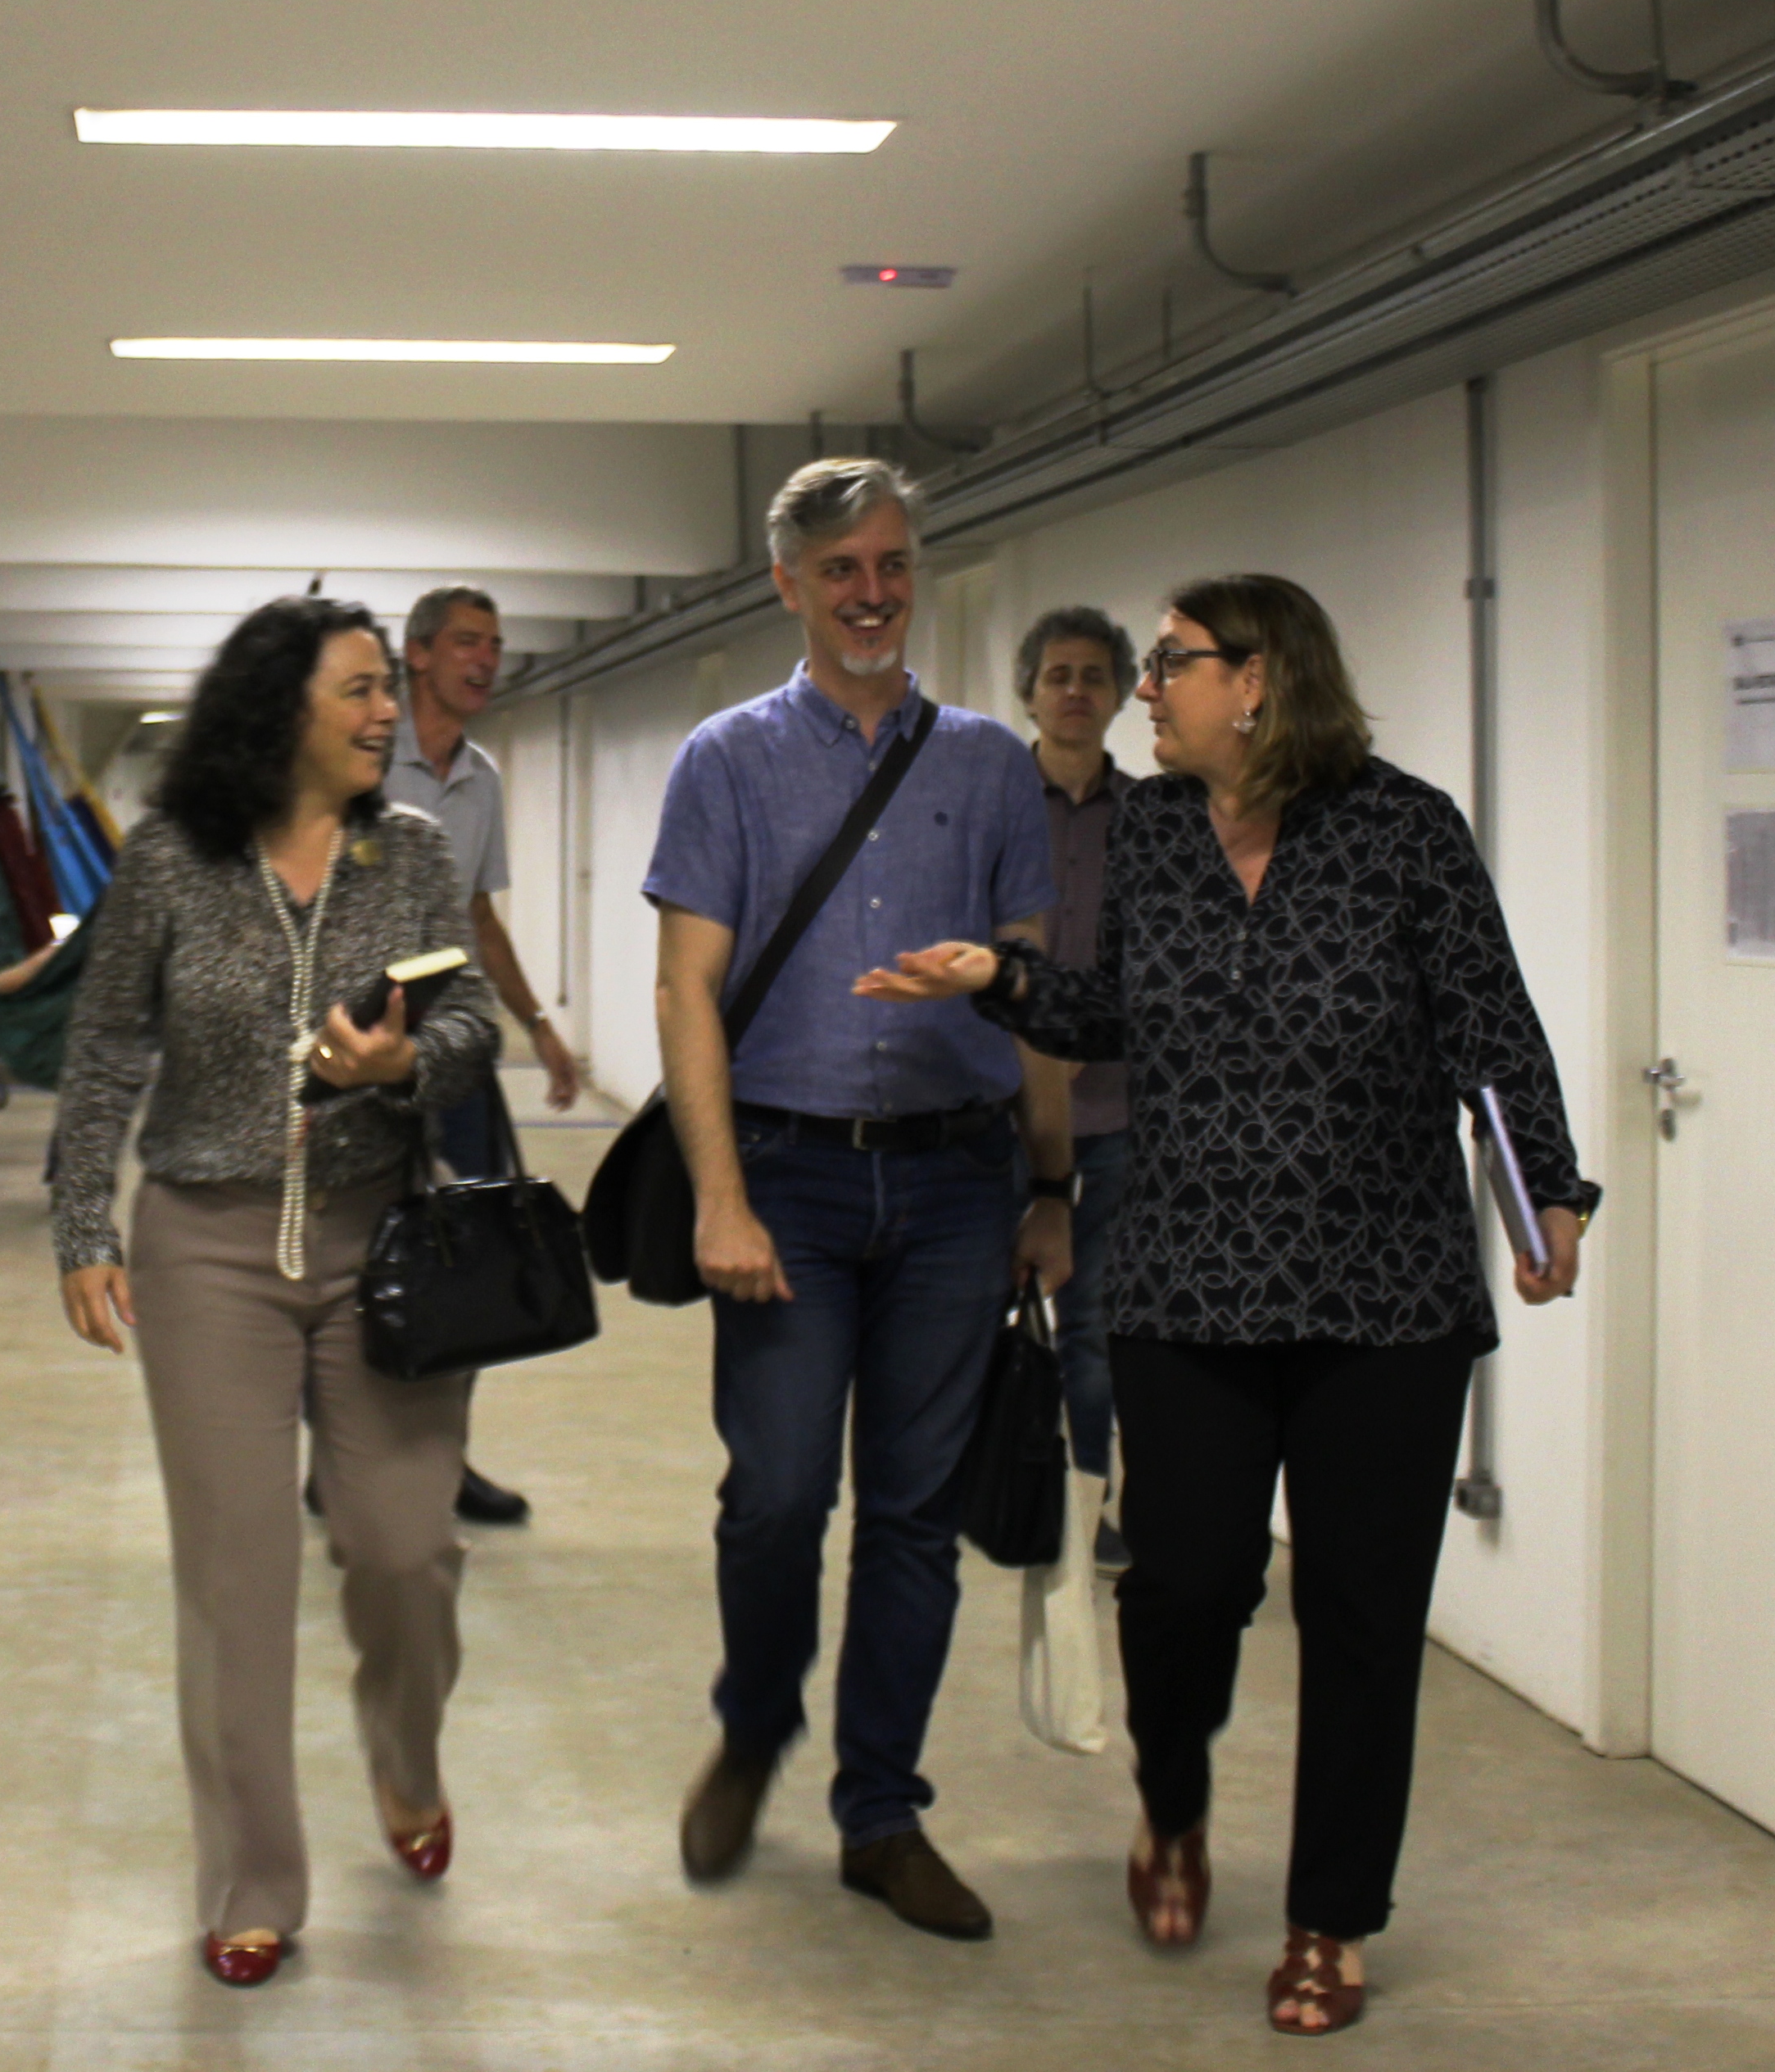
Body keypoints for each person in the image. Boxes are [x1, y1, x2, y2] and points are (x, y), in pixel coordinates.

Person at [854, 572, 1598, 2037]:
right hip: (1188, 1280)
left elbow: (1489, 1029)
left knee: (1362, 1610)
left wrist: (1545, 1192)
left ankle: (1329, 1917)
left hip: (1378, 1294)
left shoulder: (1402, 832)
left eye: (1171, 663)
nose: (1145, 687)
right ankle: (1174, 1803)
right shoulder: (1146, 837)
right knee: (1186, 1584)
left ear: (1255, 680)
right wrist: (992, 978)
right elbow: (1102, 1009)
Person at [50, 596, 506, 1988]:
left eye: (387, 689)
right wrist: (81, 1221)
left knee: (401, 1552)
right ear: (278, 709)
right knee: (234, 1584)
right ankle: (251, 1877)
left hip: (383, 1248)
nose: (388, 714)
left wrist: (402, 1070)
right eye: (361, 691)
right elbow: (106, 1042)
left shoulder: (411, 854)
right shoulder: (173, 865)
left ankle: (406, 1755)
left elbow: (471, 1017)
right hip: (207, 1250)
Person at [647, 460, 1059, 1942]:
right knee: (771, 1499)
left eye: (890, 563)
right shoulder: (726, 761)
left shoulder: (990, 767)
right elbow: (685, 985)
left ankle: (877, 1812)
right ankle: (755, 1724)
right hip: (788, 1180)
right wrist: (718, 1196)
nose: (872, 592)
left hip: (956, 1180)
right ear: (788, 585)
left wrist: (1051, 1183)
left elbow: (1034, 996)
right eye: (840, 570)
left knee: (910, 1516)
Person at [383, 583, 577, 1528]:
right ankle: (342, 1459)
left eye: (495, 645)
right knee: (360, 1252)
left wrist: (537, 1023)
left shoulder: (483, 778)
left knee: (471, 1251)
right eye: (466, 643)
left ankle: (445, 1461)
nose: (485, 660)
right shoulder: (362, 758)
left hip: (456, 1052)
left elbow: (479, 918)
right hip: (367, 1053)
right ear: (417, 654)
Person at [1014, 605, 1141, 1572]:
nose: (1074, 692)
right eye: (1058, 674)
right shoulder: (986, 800)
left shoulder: (1152, 819)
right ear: (1031, 691)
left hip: (1114, 1110)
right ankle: (999, 1484)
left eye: (1093, 675)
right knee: (983, 1314)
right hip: (998, 1108)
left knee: (1093, 1325)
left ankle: (1088, 1502)